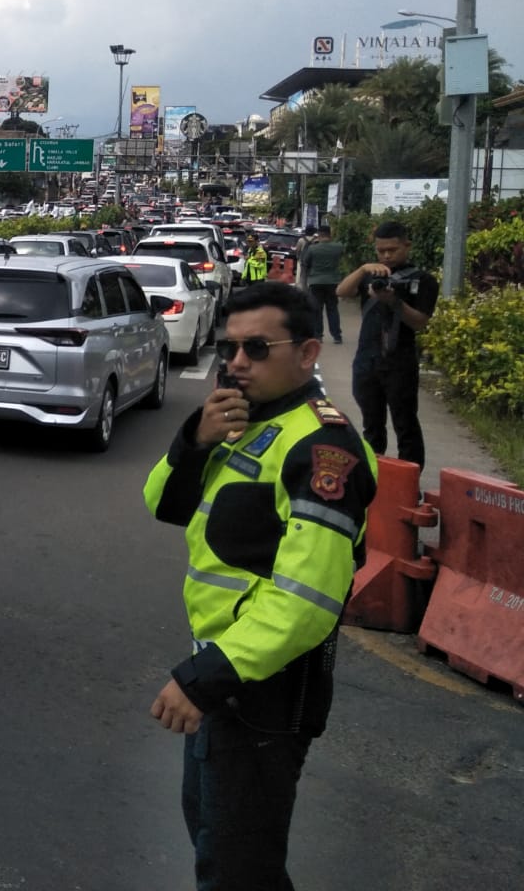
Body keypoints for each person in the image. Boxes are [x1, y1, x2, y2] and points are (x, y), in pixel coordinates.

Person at [144, 282, 377, 891]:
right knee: (216, 844)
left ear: (307, 353)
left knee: (237, 868)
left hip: (262, 692)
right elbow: (163, 505)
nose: (238, 362)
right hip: (224, 676)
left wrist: (205, 679)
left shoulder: (324, 451)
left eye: (256, 348)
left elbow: (307, 600)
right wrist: (195, 440)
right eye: (230, 348)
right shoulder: (245, 422)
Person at [338, 220, 438, 469]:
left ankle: (408, 483)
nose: (386, 255)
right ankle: (374, 479)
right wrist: (362, 270)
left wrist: (394, 302)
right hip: (366, 360)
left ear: (407, 246)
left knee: (405, 425)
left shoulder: (423, 280)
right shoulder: (373, 275)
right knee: (371, 425)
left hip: (400, 361)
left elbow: (419, 322)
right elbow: (342, 291)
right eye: (380, 250)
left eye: (392, 250)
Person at [299, 221, 345, 344]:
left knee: (317, 309)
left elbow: (305, 263)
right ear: (330, 234)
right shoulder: (338, 246)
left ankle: (318, 336)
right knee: (333, 309)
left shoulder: (313, 248)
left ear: (319, 234)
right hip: (333, 282)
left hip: (315, 282)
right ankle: (337, 336)